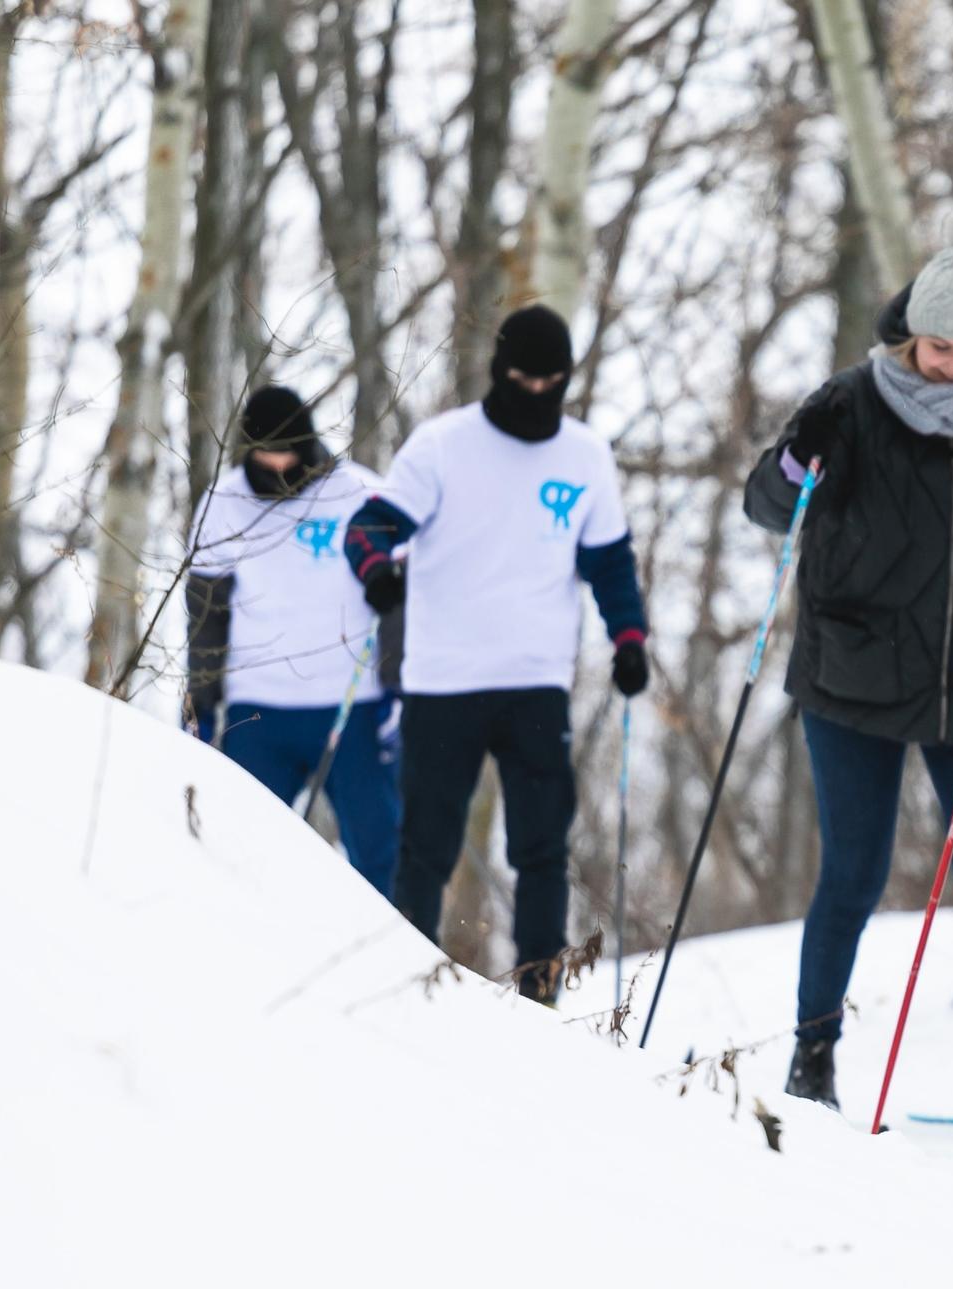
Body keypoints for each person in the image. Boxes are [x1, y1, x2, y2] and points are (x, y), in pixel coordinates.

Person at [744, 201, 953, 1126]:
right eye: (939, 348)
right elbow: (769, 503)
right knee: (855, 867)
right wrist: (793, 468)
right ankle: (813, 1056)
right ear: (912, 334)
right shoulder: (851, 401)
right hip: (855, 677)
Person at [341, 305, 651, 1007]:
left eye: (552, 381)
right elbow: (368, 528)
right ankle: (404, 987)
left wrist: (630, 639)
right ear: (497, 372)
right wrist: (377, 573)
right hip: (443, 683)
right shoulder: (444, 446)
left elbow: (610, 563)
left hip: (536, 680)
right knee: (426, 844)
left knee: (542, 848)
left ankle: (537, 994)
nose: (538, 393)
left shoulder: (584, 455)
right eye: (523, 379)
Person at [185, 385, 401, 898]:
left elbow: (398, 604)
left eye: (288, 454)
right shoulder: (222, 503)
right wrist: (202, 702)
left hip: (354, 707)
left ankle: (395, 965)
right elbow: (205, 617)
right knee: (239, 851)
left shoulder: (361, 495)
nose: (278, 467)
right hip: (259, 710)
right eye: (265, 457)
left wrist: (399, 690)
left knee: (379, 852)